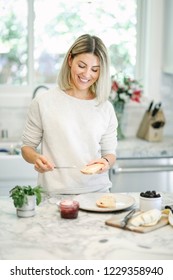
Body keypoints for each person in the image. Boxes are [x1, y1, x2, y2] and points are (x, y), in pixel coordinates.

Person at [21, 34, 118, 194]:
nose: (87, 74)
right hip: (54, 195)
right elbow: (27, 148)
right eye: (81, 65)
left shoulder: (105, 108)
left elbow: (110, 153)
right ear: (70, 60)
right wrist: (36, 158)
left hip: (96, 194)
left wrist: (105, 162)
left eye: (95, 70)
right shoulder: (43, 102)